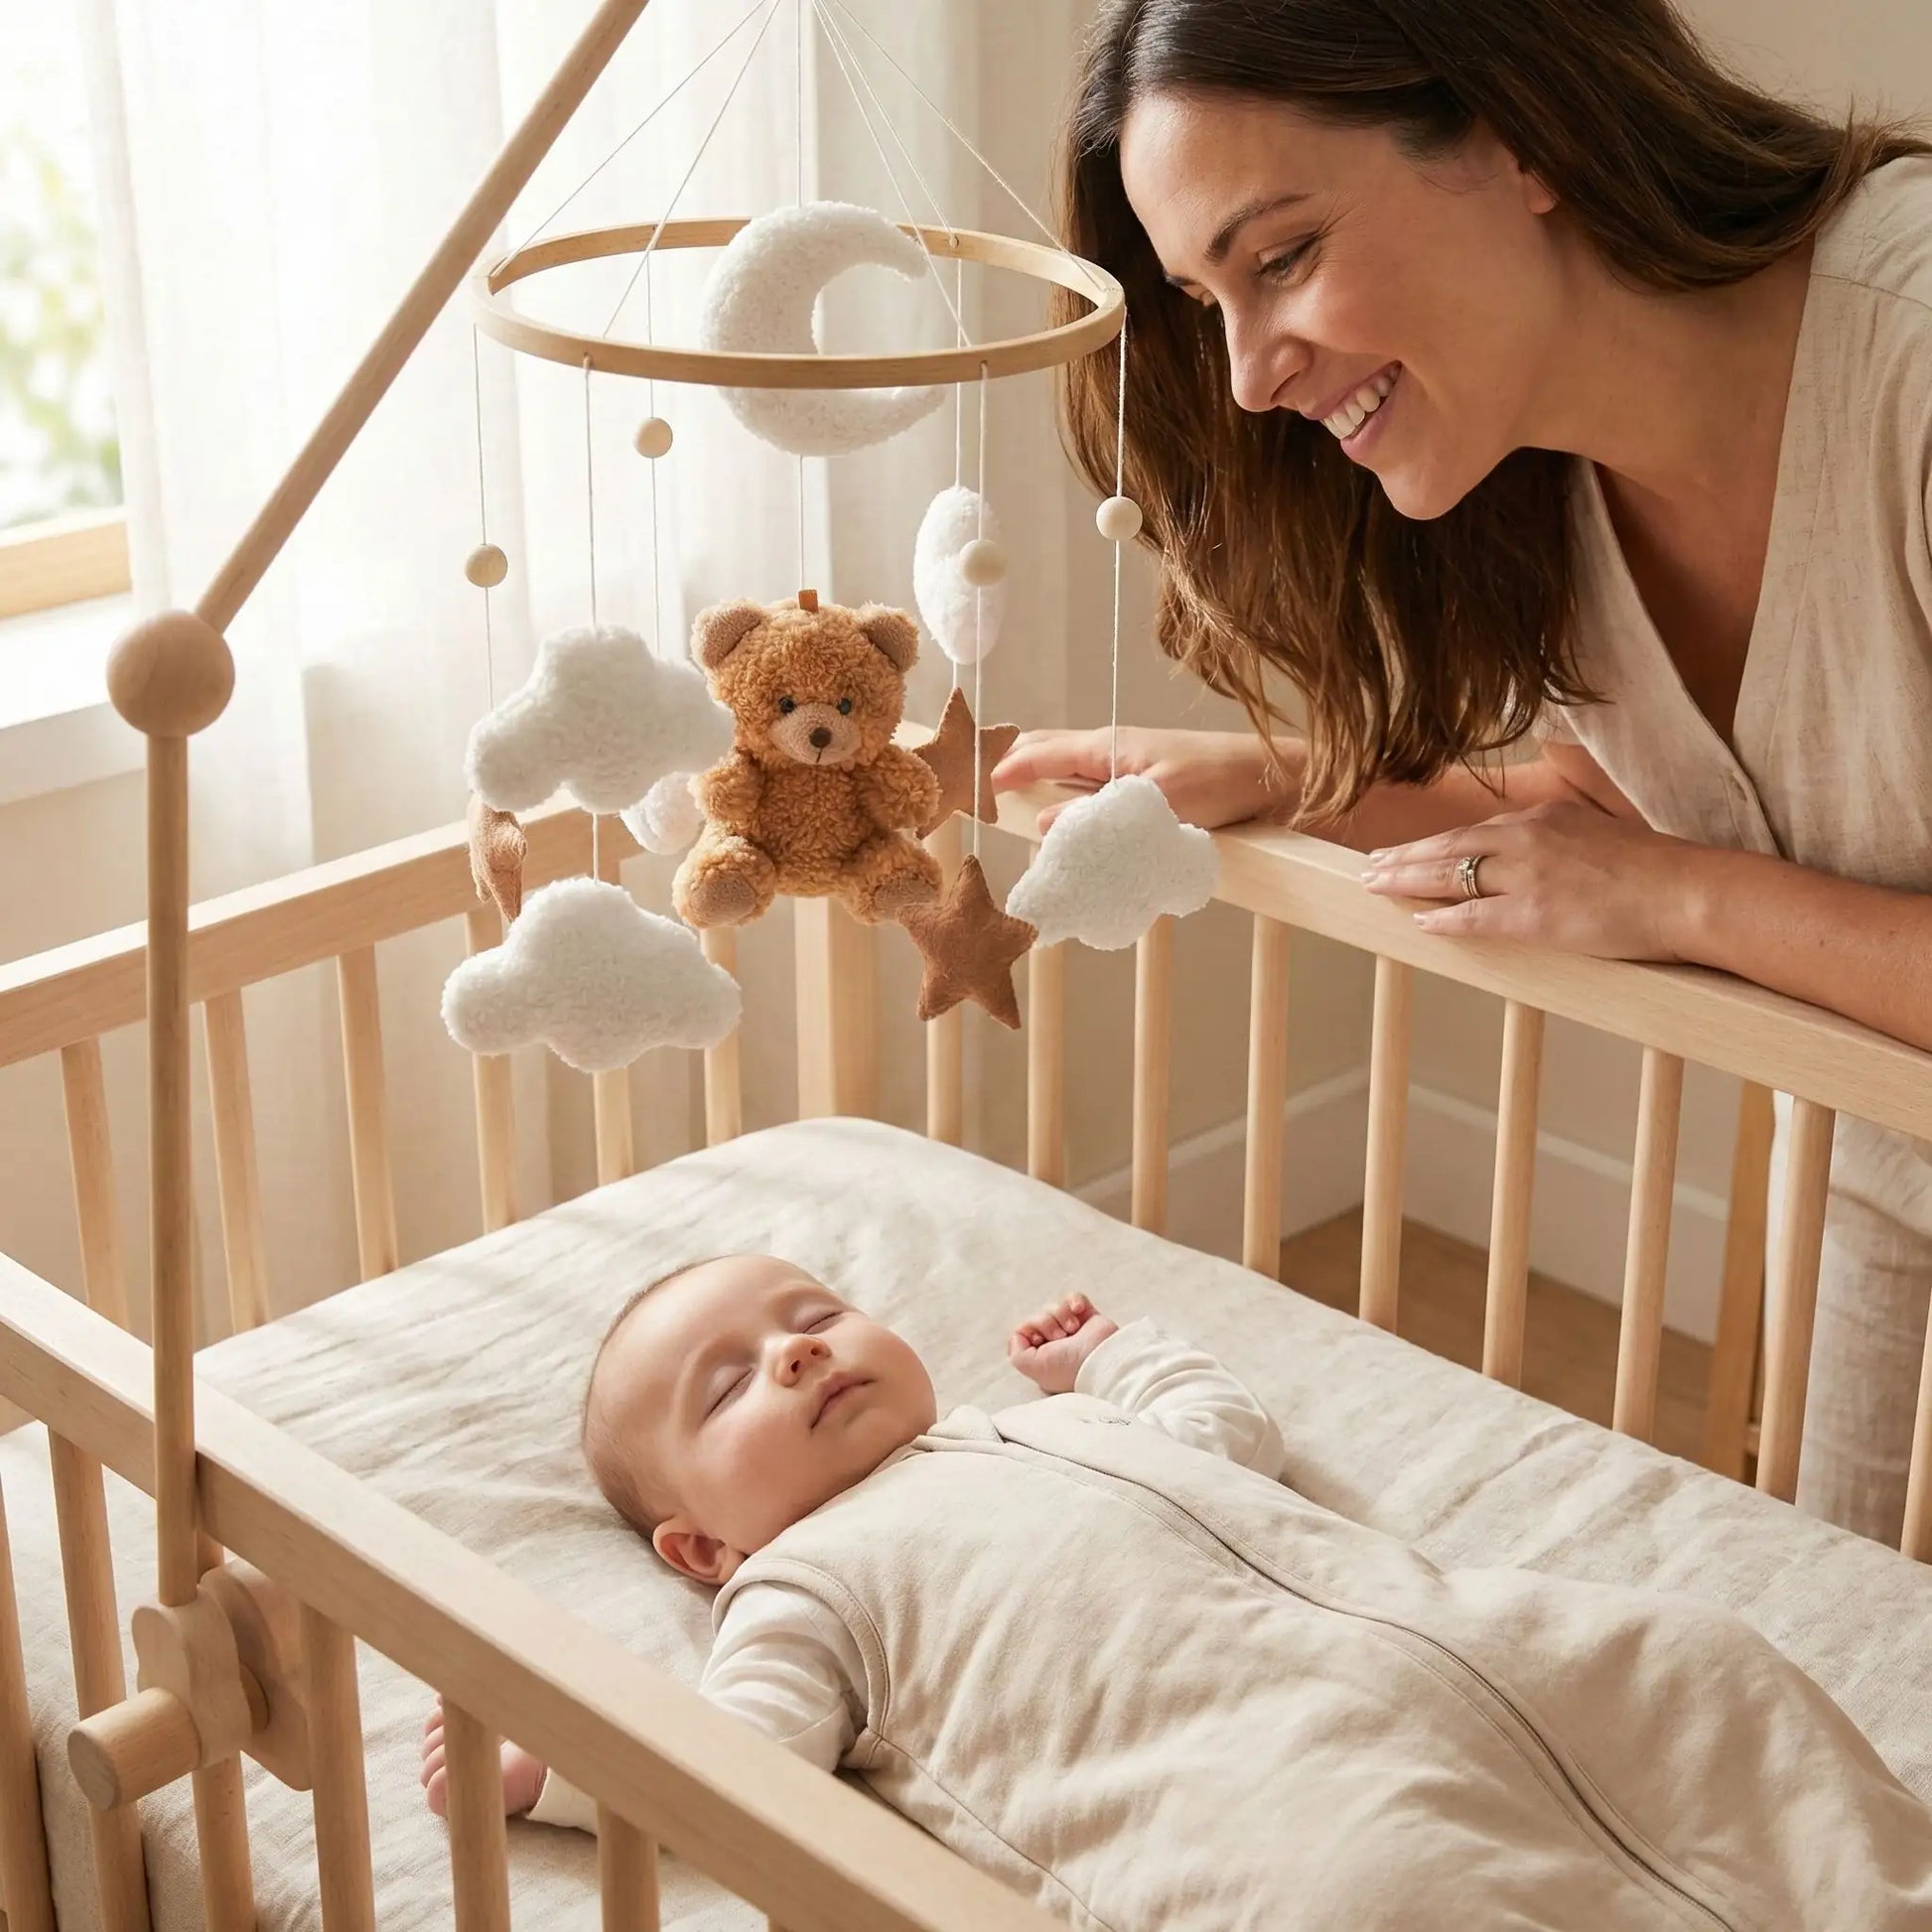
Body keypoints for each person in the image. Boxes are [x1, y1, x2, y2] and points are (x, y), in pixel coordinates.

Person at [995, 0, 1932, 1546]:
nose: (1243, 378)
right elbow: (1701, 810)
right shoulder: (1537, 484)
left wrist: (1679, 896)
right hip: (1880, 1164)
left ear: (1517, 132)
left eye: (1279, 257)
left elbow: (1679, 871)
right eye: (1204, 299)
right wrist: (1290, 778)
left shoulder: (1904, 360)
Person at [420, 1255, 1932, 1928]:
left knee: (1709, 1666)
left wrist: (1113, 1360)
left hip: (1490, 1658)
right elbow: (734, 1773)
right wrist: (548, 1771)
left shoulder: (1034, 1422)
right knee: (1385, 1900)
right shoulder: (799, 1586)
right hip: (1273, 1810)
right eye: (732, 1381)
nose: (801, 1351)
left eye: (811, 1313)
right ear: (698, 1547)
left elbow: (1229, 1435)